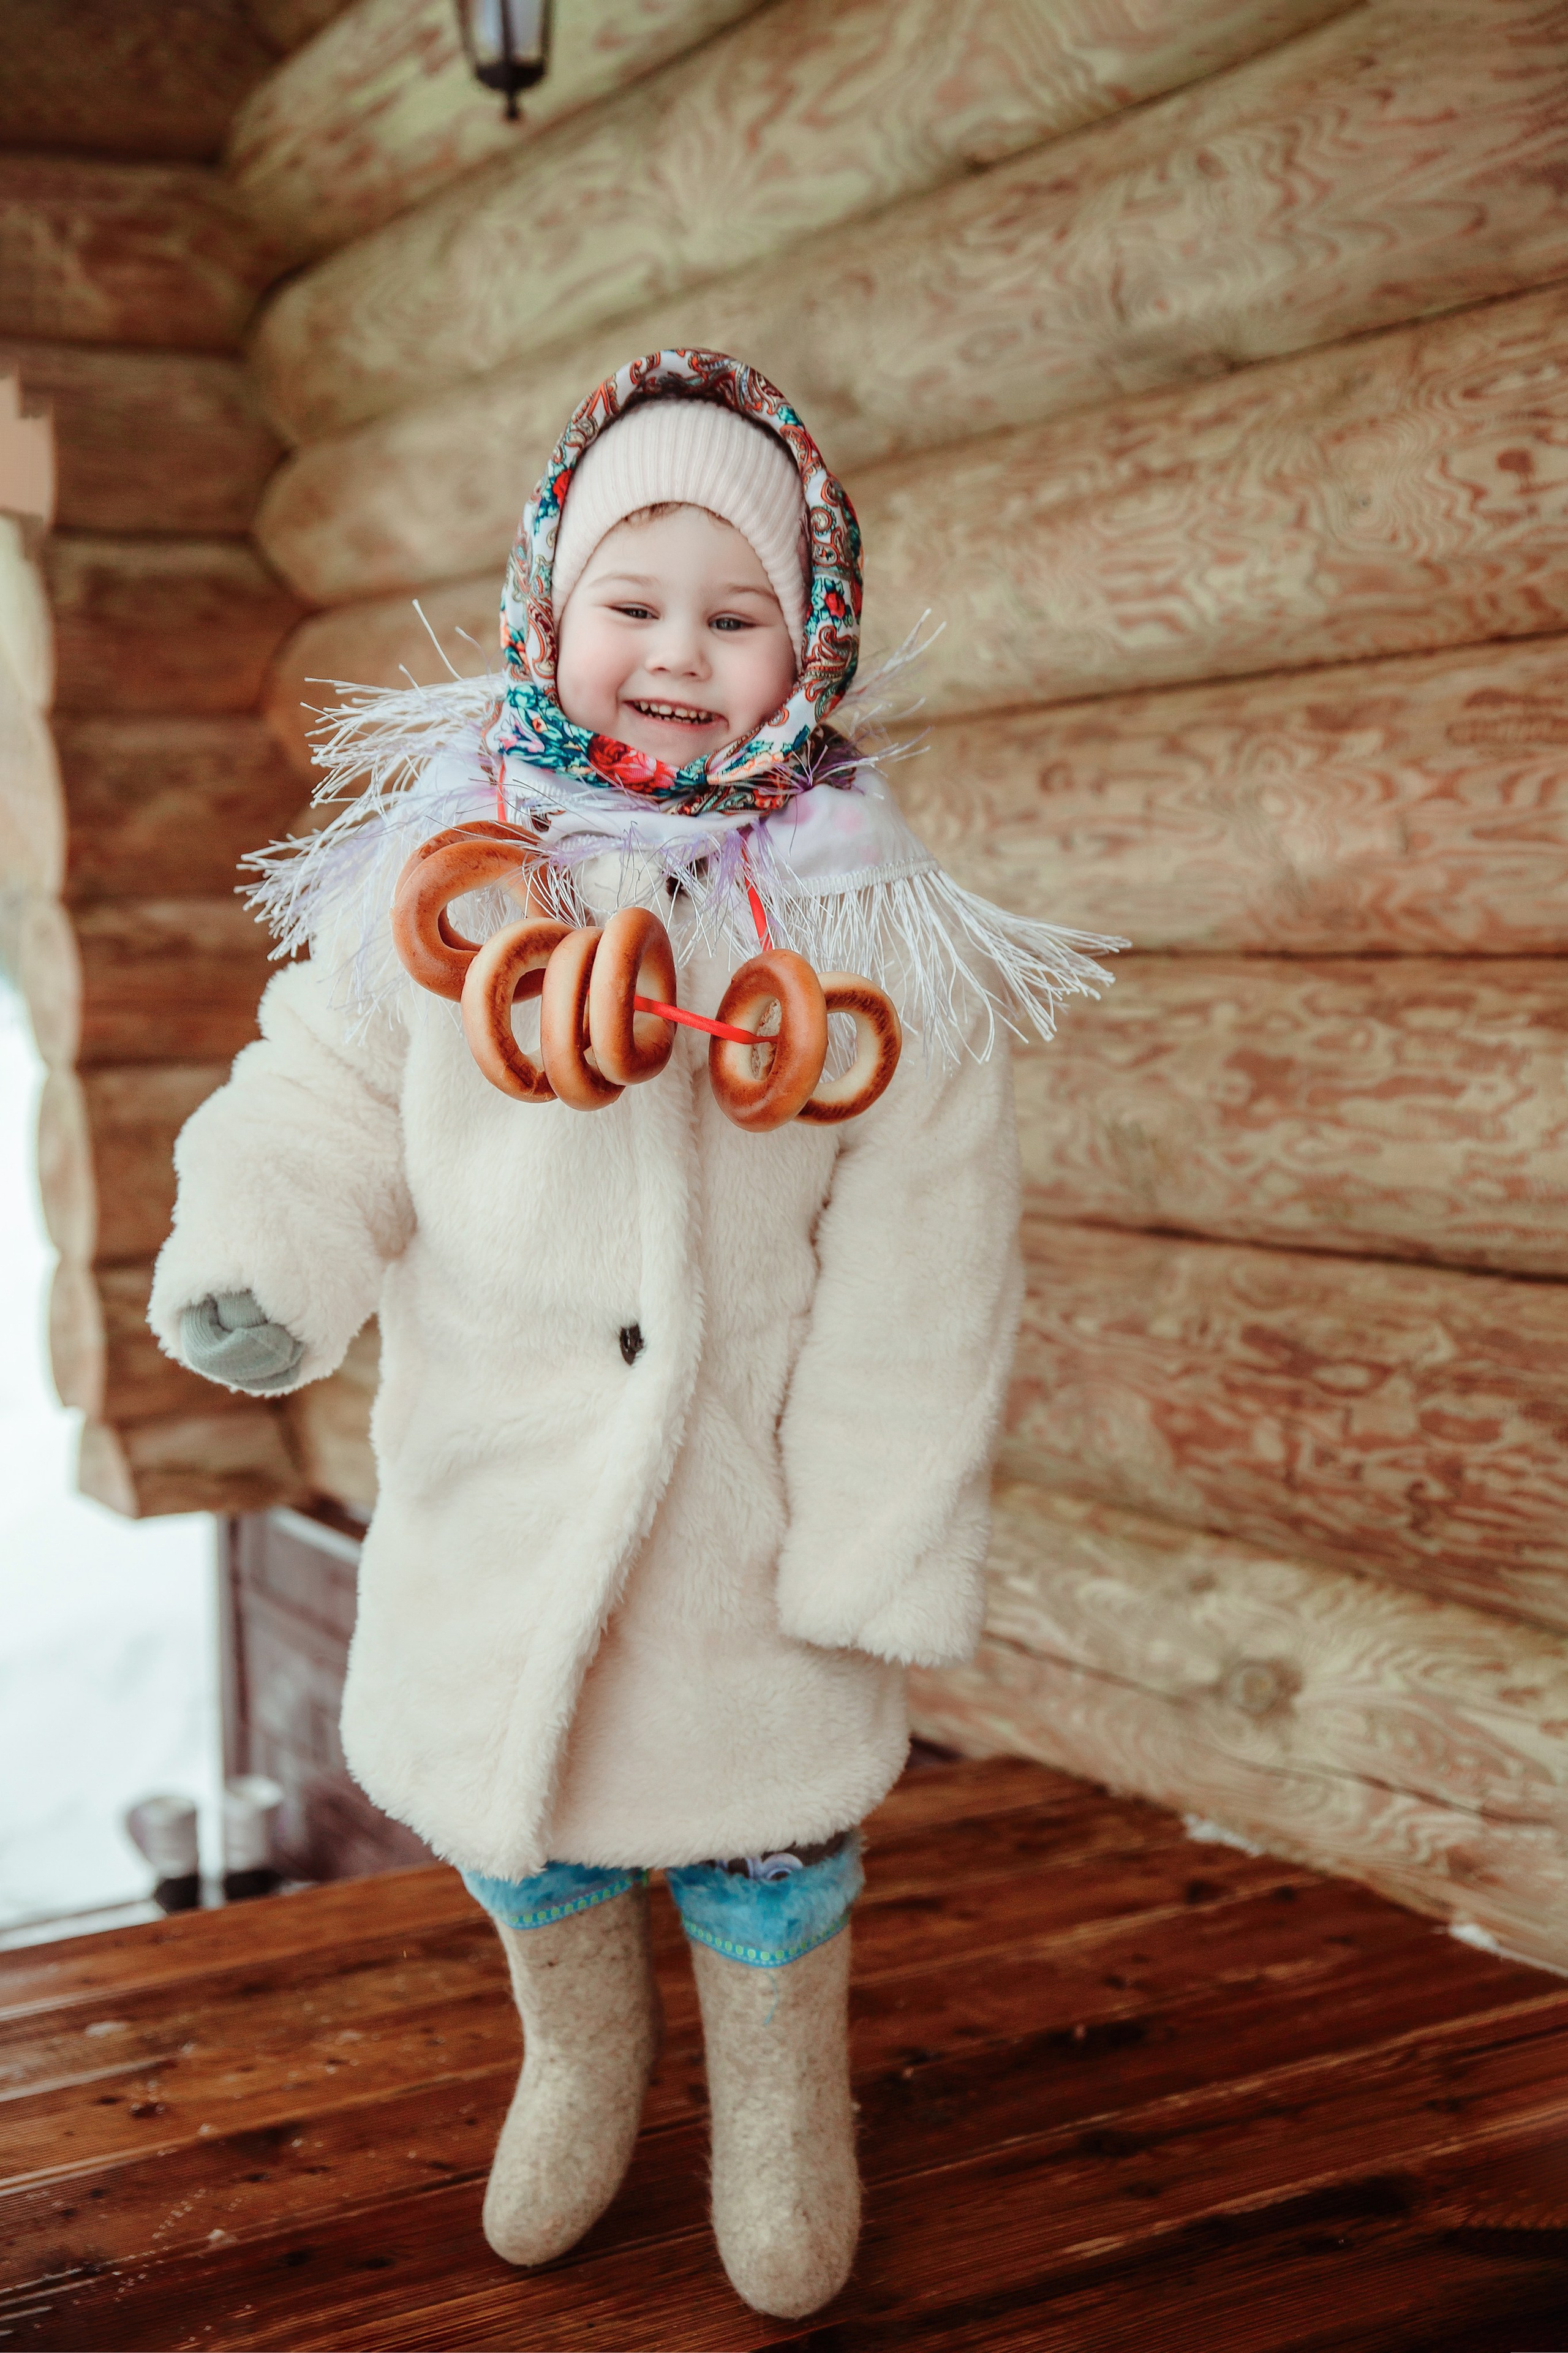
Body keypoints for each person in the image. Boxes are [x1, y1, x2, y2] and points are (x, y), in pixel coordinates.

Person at [150, 351, 1117, 2321]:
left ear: (810, 641)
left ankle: (781, 2101)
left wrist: (869, 1542)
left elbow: (928, 1265)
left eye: (736, 616)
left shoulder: (869, 932)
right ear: (549, 607)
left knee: (764, 1841)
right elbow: (320, 1096)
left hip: (738, 1525)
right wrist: (265, 1258)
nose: (678, 653)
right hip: (498, 1482)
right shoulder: (441, 880)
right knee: (536, 1829)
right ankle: (583, 2056)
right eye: (635, 603)